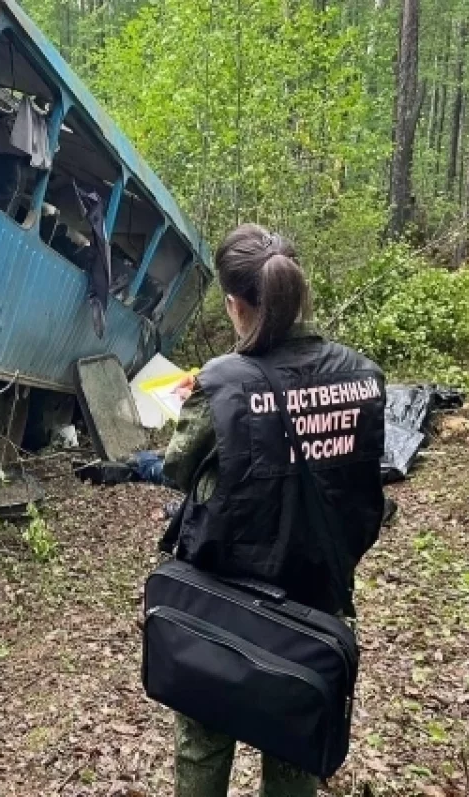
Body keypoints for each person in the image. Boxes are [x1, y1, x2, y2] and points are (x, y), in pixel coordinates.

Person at [160, 223, 385, 797]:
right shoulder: (362, 375)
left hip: (220, 602)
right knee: (293, 743)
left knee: (204, 741)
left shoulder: (222, 384)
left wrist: (192, 408)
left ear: (235, 306)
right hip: (314, 598)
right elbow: (363, 487)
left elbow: (178, 471)